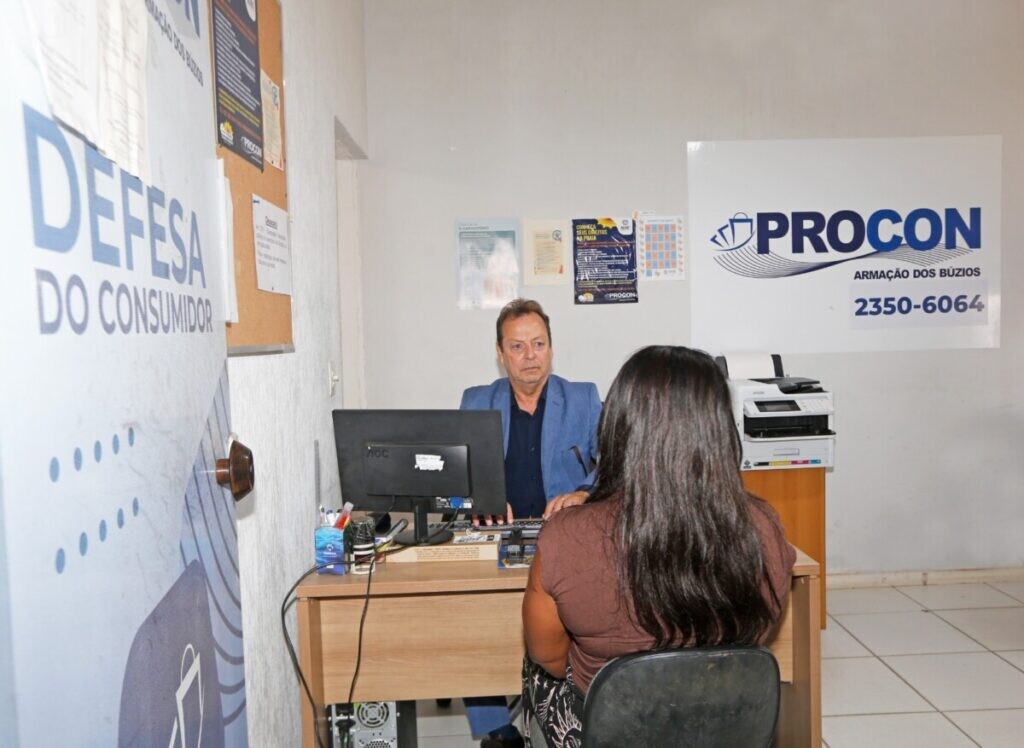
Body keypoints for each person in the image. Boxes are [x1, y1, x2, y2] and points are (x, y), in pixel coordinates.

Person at [520, 346, 797, 748]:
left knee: (534, 670)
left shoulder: (564, 537)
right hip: (724, 728)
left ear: (617, 428)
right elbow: (761, 631)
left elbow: (547, 657)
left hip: (608, 732)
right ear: (719, 429)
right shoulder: (765, 527)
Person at [460, 298, 603, 747]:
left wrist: (584, 493)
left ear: (551, 348)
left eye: (538, 344)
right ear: (500, 353)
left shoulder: (583, 398)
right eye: (517, 346)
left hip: (563, 538)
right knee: (470, 617)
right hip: (496, 535)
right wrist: (479, 498)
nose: (530, 356)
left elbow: (614, 463)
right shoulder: (477, 401)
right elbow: (457, 473)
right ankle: (497, 730)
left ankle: (567, 705)